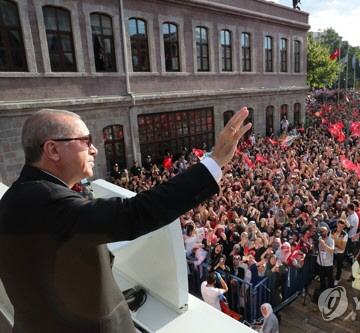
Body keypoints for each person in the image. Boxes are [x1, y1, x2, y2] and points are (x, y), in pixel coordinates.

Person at [0, 107, 251, 333]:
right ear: (52, 149)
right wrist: (215, 161)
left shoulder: (17, 196)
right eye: (85, 141)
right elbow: (135, 213)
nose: (94, 149)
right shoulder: (46, 201)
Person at [317, 226, 335, 291]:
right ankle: (322, 288)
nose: (322, 233)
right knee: (322, 277)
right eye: (320, 231)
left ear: (327, 231)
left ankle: (331, 291)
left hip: (328, 263)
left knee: (330, 278)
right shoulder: (318, 239)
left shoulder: (331, 240)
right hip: (320, 262)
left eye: (323, 231)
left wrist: (323, 244)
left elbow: (331, 250)